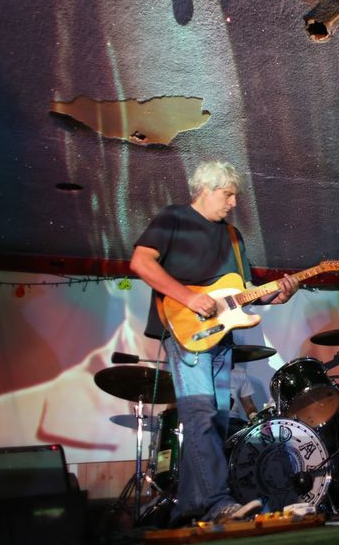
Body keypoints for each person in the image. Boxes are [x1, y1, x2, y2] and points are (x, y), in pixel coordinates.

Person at [130, 160, 298, 525]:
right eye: (228, 194)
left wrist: (278, 295)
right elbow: (141, 263)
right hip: (186, 332)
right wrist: (188, 298)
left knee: (217, 419)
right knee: (201, 412)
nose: (234, 202)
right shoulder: (173, 218)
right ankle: (217, 502)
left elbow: (245, 291)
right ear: (205, 189)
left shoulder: (233, 237)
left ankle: (189, 507)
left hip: (221, 339)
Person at [228, 362, 260, 439]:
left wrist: (256, 418)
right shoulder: (204, 370)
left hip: (234, 421)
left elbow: (249, 407)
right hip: (212, 420)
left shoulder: (240, 372)